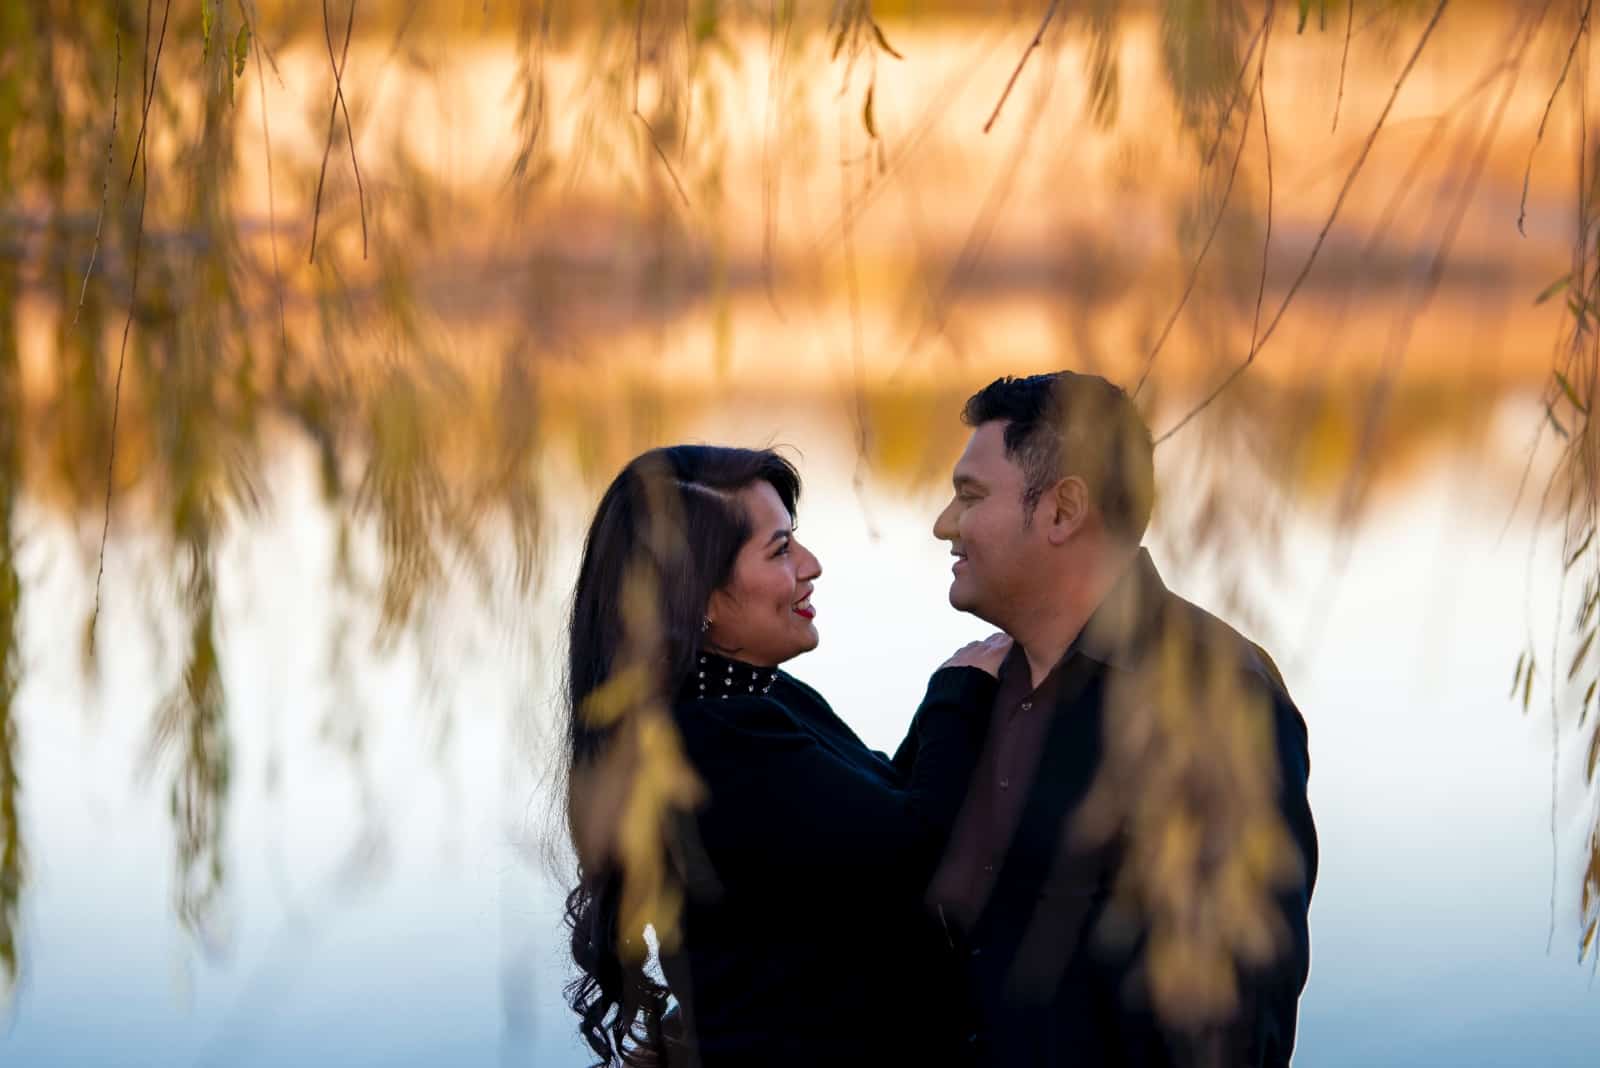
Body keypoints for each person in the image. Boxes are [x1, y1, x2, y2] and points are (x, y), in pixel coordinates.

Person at [562, 444, 1009, 1067]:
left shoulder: (757, 698)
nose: (812, 564)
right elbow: (915, 851)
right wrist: (959, 692)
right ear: (701, 600)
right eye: (779, 550)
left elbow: (881, 804)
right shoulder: (712, 742)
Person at [929, 372, 1317, 1067]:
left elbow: (1235, 1015)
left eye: (969, 496)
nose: (944, 525)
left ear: (1062, 509)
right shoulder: (975, 689)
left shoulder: (1211, 697)